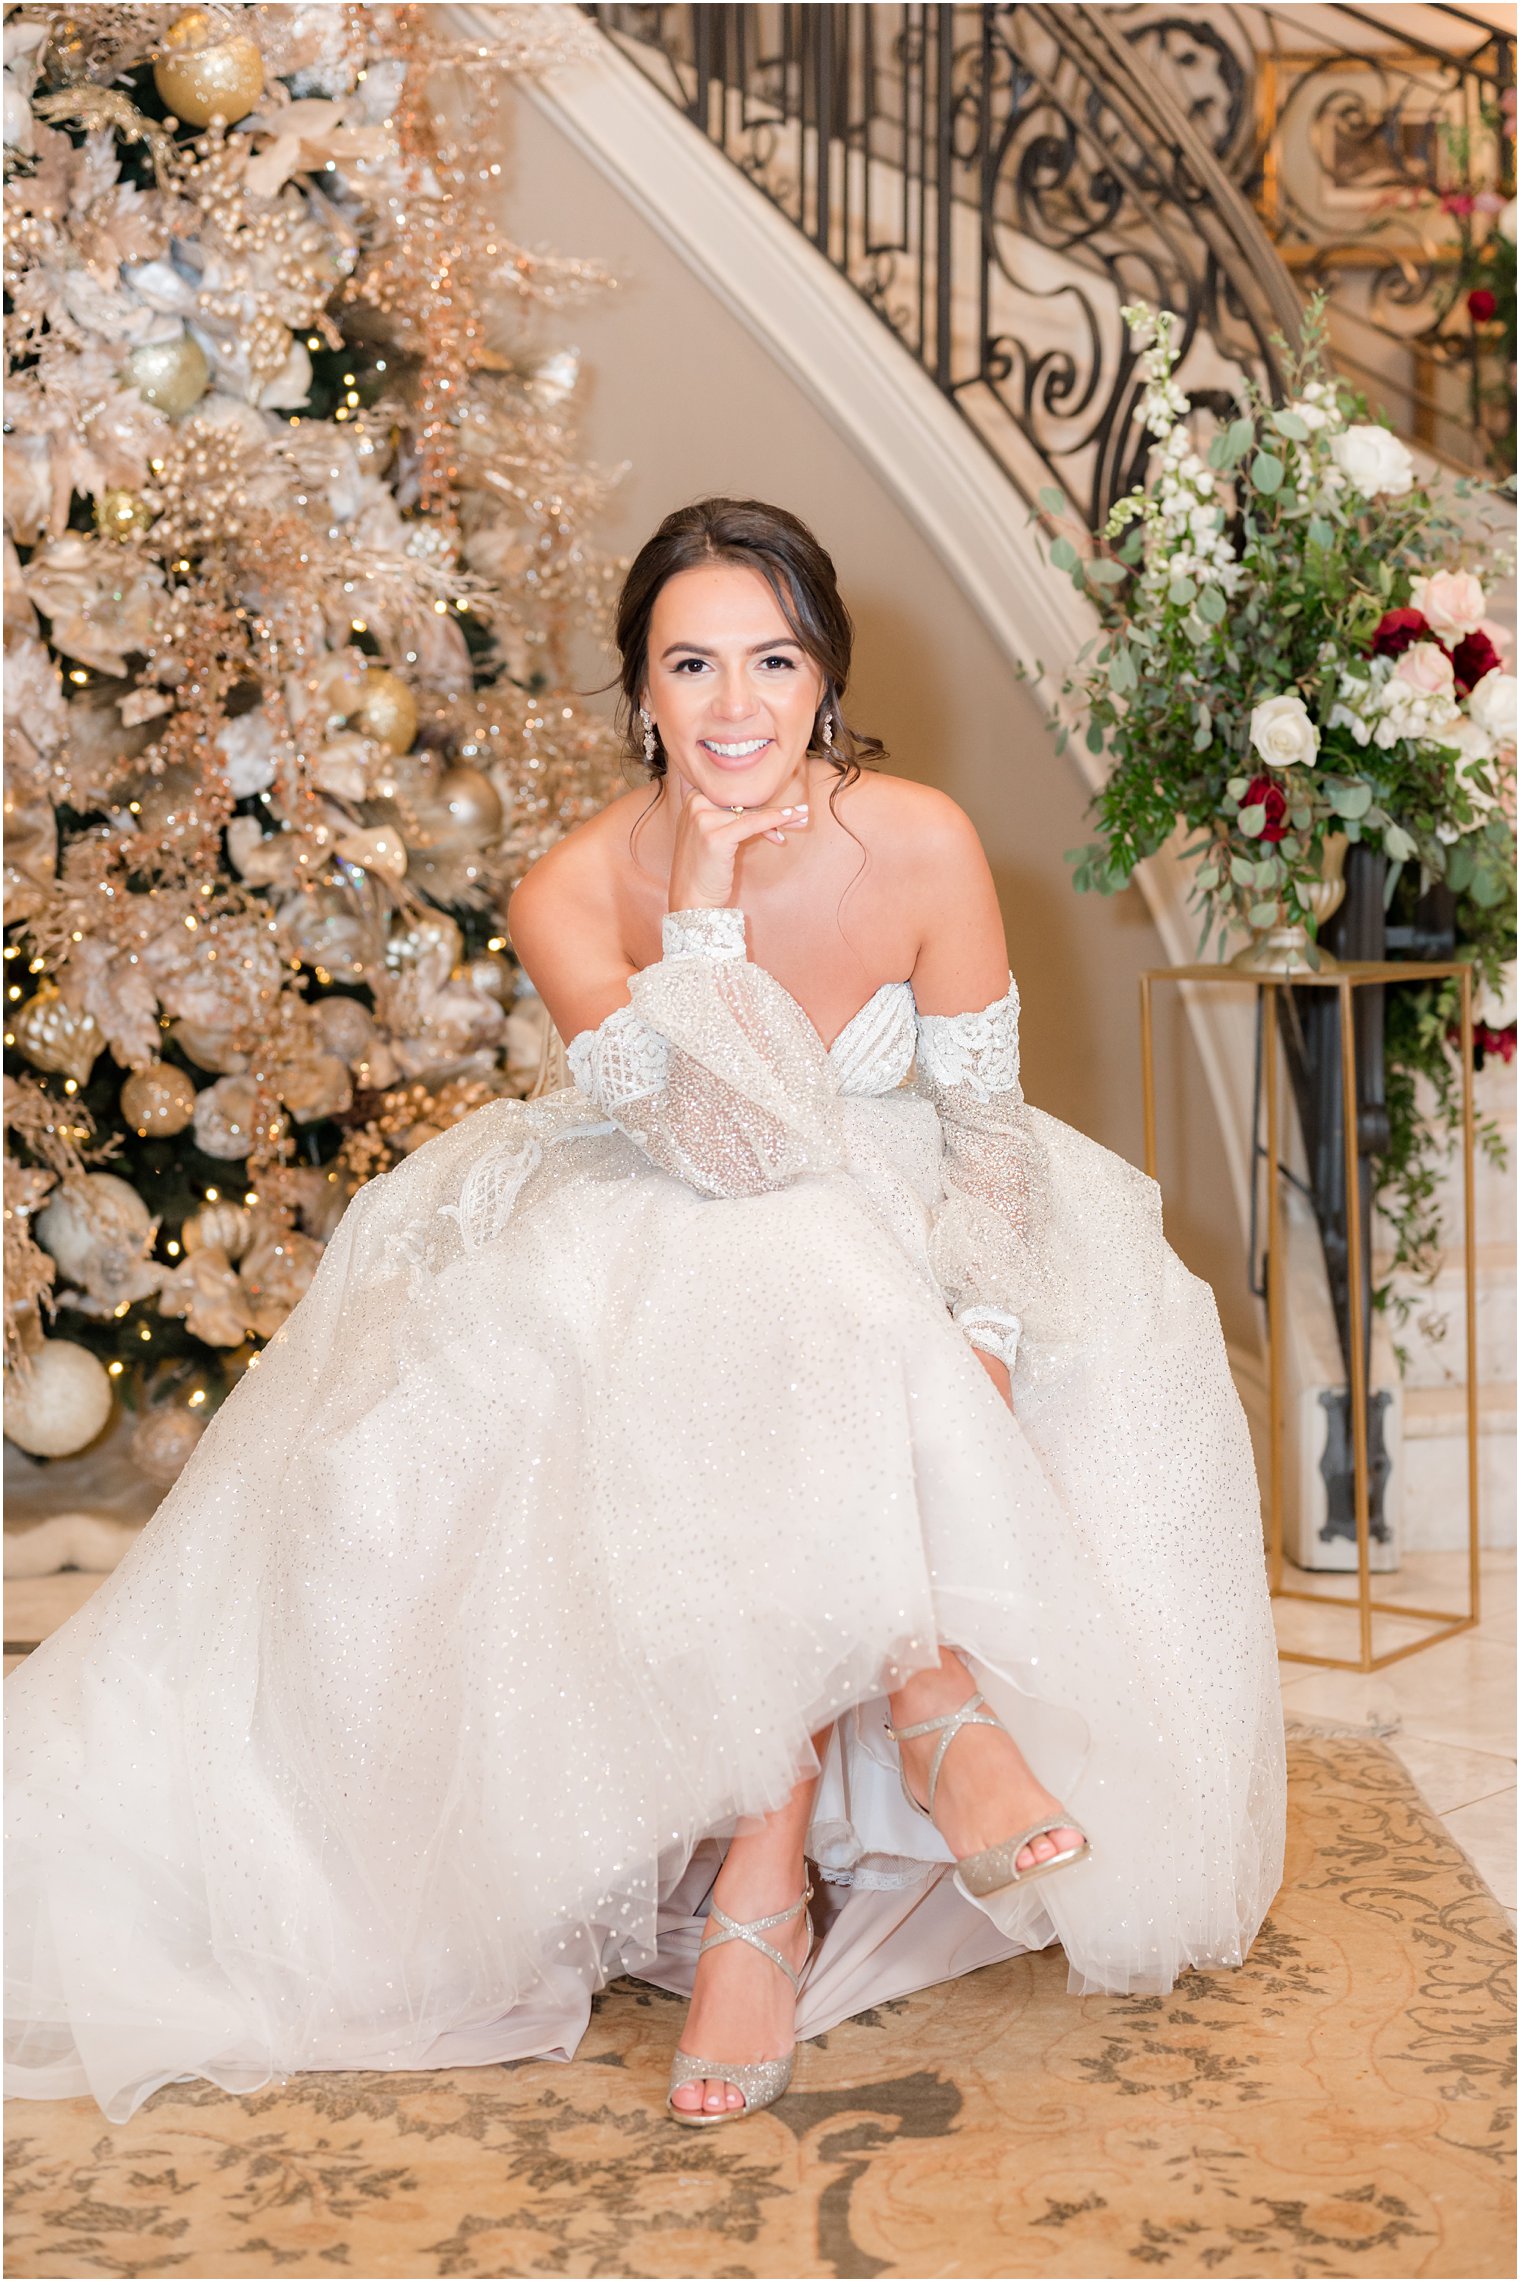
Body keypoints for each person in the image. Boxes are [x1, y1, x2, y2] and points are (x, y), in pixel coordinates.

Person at [5, 498, 1286, 2129]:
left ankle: (771, 1854)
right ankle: (925, 1692)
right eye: (693, 663)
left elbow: (990, 1150)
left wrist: (978, 1351)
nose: (736, 704)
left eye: (773, 658)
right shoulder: (570, 894)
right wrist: (696, 910)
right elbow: (734, 1151)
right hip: (677, 1203)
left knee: (824, 1287)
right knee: (766, 1262)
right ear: (642, 695)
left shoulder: (925, 841)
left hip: (921, 1246)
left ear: (827, 679)